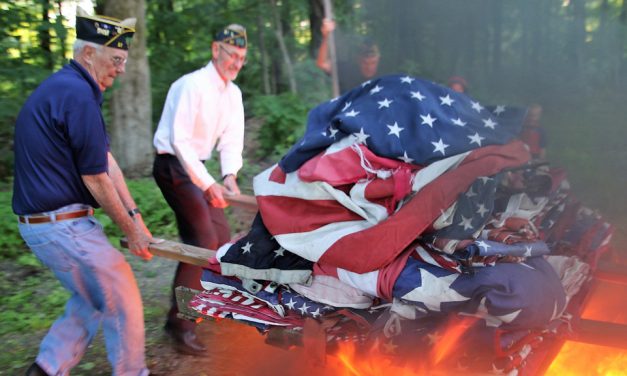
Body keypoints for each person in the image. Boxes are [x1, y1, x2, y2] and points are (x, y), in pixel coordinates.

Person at [12, 10, 153, 376]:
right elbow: (95, 179)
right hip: (62, 226)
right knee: (122, 297)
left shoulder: (70, 88)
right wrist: (129, 229)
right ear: (88, 53)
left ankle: (46, 368)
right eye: (116, 59)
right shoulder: (77, 94)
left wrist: (134, 215)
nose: (121, 69)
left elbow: (105, 160)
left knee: (93, 297)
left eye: (124, 61)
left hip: (47, 225)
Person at [152, 24, 247, 356]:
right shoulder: (190, 85)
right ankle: (181, 324)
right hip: (174, 165)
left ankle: (206, 303)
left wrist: (230, 176)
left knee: (221, 241)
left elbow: (232, 140)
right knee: (203, 242)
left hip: (200, 167)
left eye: (241, 58)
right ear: (215, 50)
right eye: (232, 54)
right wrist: (208, 184)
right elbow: (179, 142)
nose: (236, 62)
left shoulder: (233, 94)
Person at [316, 18, 381, 93]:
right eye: (365, 63)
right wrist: (326, 36)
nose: (369, 68)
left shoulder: (386, 72)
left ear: (379, 59)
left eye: (373, 63)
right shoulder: (348, 70)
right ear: (358, 60)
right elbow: (322, 63)